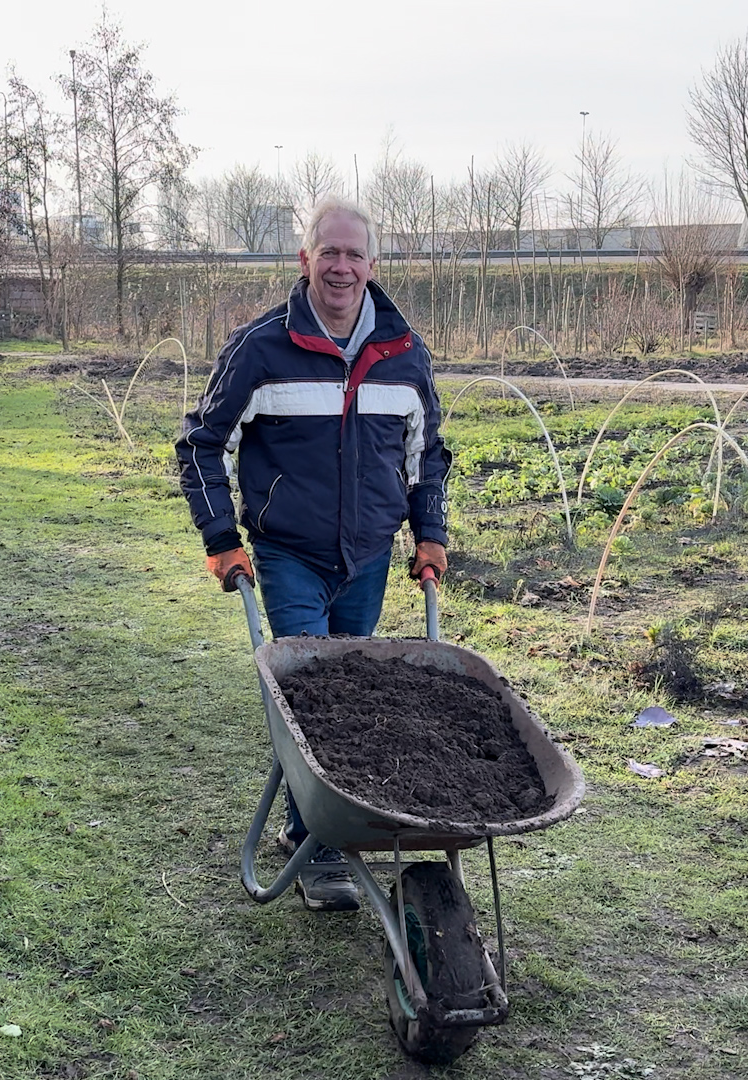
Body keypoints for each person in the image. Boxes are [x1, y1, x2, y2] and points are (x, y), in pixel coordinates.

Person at [174, 197, 451, 911]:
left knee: (350, 697)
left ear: (373, 265)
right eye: (329, 252)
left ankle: (313, 825)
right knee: (312, 692)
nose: (341, 266)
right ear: (305, 259)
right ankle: (321, 849)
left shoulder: (404, 354)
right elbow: (202, 445)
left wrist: (429, 534)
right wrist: (221, 540)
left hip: (369, 555)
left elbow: (426, 456)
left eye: (354, 254)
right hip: (288, 550)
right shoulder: (261, 348)